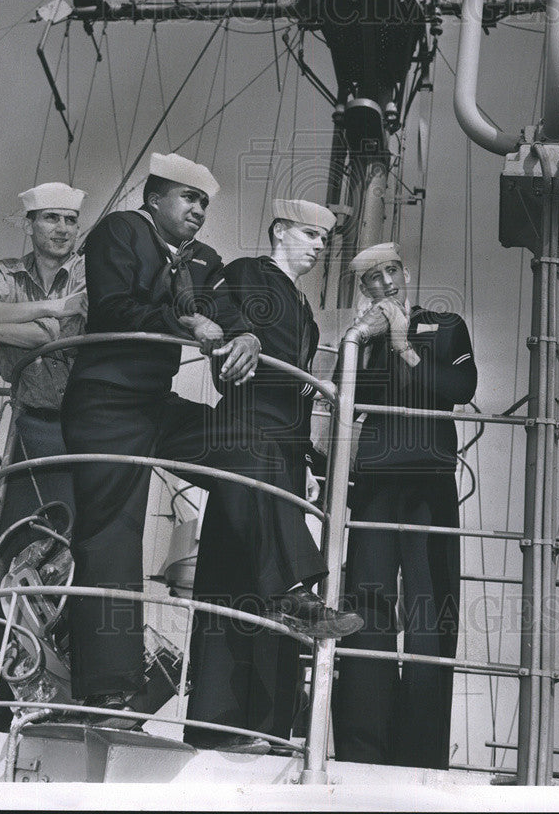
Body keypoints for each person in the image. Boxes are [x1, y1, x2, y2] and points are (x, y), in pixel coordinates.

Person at [61, 159, 358, 733]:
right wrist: (187, 323)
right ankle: (110, 693)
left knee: (248, 446)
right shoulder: (120, 232)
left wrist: (243, 331)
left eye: (204, 203)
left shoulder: (203, 260)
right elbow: (116, 307)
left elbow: (225, 310)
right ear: (154, 198)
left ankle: (289, 593)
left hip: (154, 404)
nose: (198, 212)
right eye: (188, 199)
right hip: (104, 401)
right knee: (111, 536)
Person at [185, 198, 363, 754]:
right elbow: (215, 308)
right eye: (309, 234)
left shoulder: (305, 310)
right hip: (245, 431)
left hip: (284, 447)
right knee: (235, 569)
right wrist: (252, 341)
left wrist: (311, 452)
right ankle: (217, 720)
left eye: (323, 239)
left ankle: (267, 724)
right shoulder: (246, 273)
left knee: (253, 565)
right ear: (280, 230)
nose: (317, 246)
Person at [0, 181, 88, 731]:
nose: (60, 229)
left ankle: (60, 688)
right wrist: (37, 313)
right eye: (50, 219)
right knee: (13, 552)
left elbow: (61, 332)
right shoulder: (7, 271)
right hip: (35, 425)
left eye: (69, 220)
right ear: (30, 224)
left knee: (69, 554)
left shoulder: (89, 273)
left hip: (82, 428)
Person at [332, 242, 477, 770]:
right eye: (372, 278)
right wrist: (359, 342)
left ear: (406, 272)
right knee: (365, 608)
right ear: (363, 289)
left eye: (390, 271)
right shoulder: (360, 339)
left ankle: (420, 752)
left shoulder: (445, 324)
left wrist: (403, 345)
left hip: (426, 480)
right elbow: (336, 397)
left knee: (429, 610)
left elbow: (460, 387)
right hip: (373, 479)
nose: (384, 284)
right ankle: (360, 747)